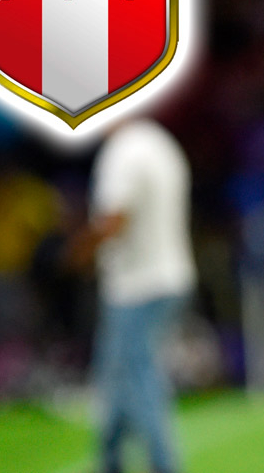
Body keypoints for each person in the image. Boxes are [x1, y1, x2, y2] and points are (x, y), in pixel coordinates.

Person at [77, 118, 196, 473]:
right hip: (172, 274)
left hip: (136, 285)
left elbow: (115, 217)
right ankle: (110, 460)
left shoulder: (123, 151)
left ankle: (163, 463)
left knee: (136, 376)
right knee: (117, 375)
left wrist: (77, 253)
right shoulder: (160, 142)